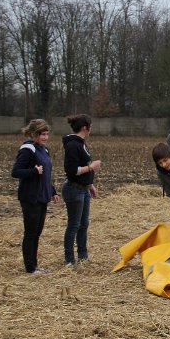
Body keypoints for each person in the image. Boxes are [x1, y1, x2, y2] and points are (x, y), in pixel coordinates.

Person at [10, 119, 59, 274]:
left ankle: (35, 265)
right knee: (30, 233)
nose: (44, 137)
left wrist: (52, 191)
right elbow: (16, 172)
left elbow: (45, 174)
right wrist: (33, 171)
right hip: (30, 197)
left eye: (46, 134)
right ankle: (30, 268)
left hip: (42, 196)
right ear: (32, 134)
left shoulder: (43, 150)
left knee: (37, 232)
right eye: (41, 134)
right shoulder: (27, 149)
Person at [62, 114, 101, 267]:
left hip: (83, 189)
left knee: (83, 224)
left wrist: (90, 185)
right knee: (74, 225)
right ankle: (69, 259)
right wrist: (91, 167)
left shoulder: (81, 143)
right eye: (90, 126)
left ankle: (83, 257)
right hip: (74, 190)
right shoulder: (73, 145)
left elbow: (83, 165)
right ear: (85, 127)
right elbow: (71, 170)